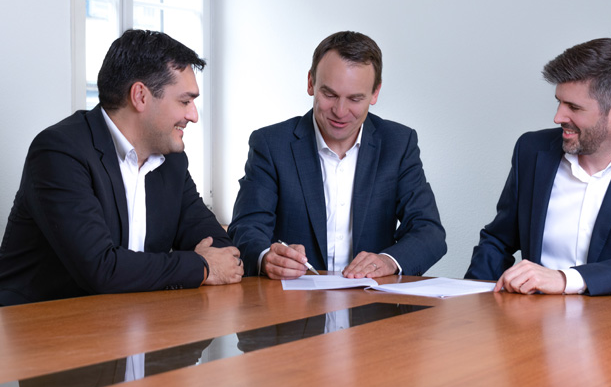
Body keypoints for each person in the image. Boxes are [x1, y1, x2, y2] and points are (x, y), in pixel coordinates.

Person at [0, 29, 243, 306]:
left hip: (130, 319)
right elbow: (101, 269)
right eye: (185, 101)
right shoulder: (59, 152)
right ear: (140, 96)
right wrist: (201, 267)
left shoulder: (171, 160)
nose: (193, 116)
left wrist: (210, 262)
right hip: (41, 323)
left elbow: (220, 248)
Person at [466, 37, 611, 295]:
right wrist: (468, 298)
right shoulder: (531, 151)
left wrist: (567, 279)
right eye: (559, 101)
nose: (558, 117)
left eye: (574, 107)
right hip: (533, 317)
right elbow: (498, 240)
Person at [228, 30, 446, 279]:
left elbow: (429, 231)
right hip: (291, 298)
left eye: (355, 99)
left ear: (375, 93)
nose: (340, 112)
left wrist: (388, 261)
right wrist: (267, 257)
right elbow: (246, 227)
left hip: (372, 298)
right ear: (311, 83)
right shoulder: (270, 144)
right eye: (329, 95)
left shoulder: (398, 144)